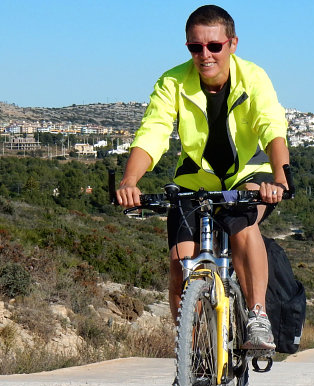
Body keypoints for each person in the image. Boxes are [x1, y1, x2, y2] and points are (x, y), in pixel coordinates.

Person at [116, 4, 289, 350]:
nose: (205, 55)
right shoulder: (173, 82)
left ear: (232, 43)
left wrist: (280, 179)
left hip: (247, 177)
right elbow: (153, 133)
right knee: (180, 266)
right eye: (196, 47)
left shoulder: (253, 77)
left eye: (214, 46)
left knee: (242, 225)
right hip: (195, 183)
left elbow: (272, 128)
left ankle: (257, 317)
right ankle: (192, 353)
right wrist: (129, 181)